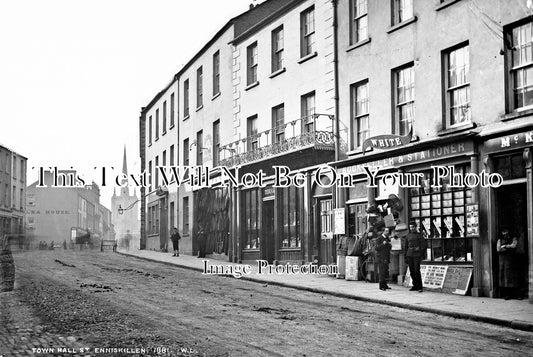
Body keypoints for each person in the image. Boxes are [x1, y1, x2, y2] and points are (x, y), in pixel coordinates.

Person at [496, 228, 520, 300]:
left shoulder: (514, 238)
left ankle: (515, 294)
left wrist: (506, 246)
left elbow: (514, 246)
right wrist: (508, 248)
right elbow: (498, 249)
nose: (505, 233)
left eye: (506, 231)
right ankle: (507, 294)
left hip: (512, 260)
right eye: (503, 232)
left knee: (512, 278)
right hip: (503, 261)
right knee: (504, 278)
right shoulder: (500, 240)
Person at [404, 222, 426, 292]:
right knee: (412, 271)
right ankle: (415, 285)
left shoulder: (419, 235)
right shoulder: (408, 236)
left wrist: (420, 252)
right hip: (409, 255)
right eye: (410, 227)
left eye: (413, 227)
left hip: (417, 255)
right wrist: (405, 256)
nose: (411, 228)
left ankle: (419, 286)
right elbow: (406, 247)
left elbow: (424, 246)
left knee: (417, 270)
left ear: (416, 227)